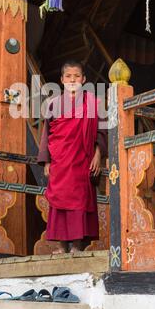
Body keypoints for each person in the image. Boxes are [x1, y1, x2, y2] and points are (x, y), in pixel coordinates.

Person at [37, 60, 107, 254]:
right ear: (61, 80)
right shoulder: (53, 104)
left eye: (77, 76)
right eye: (68, 76)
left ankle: (77, 245)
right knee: (59, 201)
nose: (72, 79)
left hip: (83, 160)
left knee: (79, 200)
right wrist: (47, 161)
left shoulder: (93, 102)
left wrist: (98, 155)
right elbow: (47, 133)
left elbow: (101, 131)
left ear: (83, 79)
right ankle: (61, 245)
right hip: (60, 161)